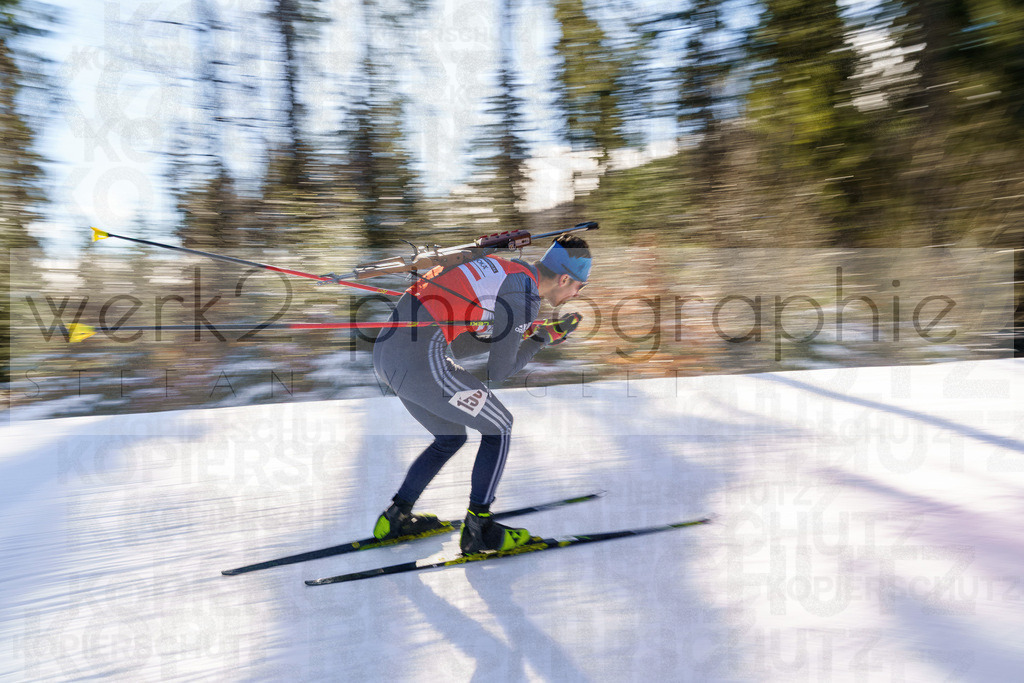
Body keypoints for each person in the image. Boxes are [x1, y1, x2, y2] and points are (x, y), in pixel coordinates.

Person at [371, 233, 592, 554]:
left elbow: (459, 344)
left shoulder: (506, 270)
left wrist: (526, 335)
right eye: (579, 286)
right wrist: (540, 340)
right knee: (498, 426)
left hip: (387, 356)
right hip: (417, 362)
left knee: (450, 436)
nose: (577, 293)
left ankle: (394, 518)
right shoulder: (523, 296)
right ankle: (479, 528)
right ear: (564, 278)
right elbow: (498, 372)